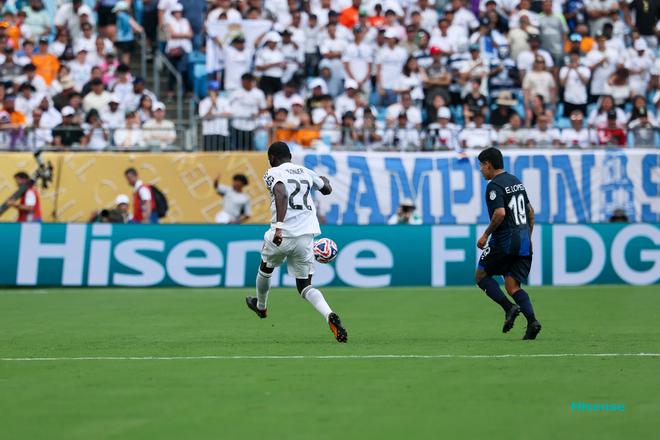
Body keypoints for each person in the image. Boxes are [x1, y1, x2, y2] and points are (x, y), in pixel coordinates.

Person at [245, 141, 348, 343]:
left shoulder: (272, 172)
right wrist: (323, 180)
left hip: (282, 234)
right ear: (290, 156)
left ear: (272, 158)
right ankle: (329, 314)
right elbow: (327, 189)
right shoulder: (306, 172)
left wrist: (279, 226)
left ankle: (261, 306)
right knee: (304, 286)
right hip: (306, 236)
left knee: (266, 267)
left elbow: (281, 193)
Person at [475, 147, 542, 340]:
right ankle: (532, 322)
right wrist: (528, 237)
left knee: (481, 276)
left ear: (488, 164)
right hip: (523, 241)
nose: (481, 170)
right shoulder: (516, 181)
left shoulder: (494, 185)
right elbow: (530, 212)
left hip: (505, 240)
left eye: (481, 165)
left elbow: (500, 213)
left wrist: (485, 235)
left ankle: (509, 308)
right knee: (512, 286)